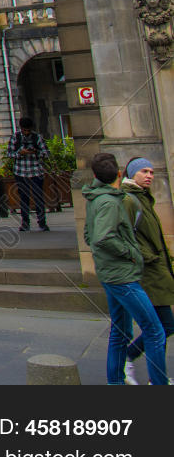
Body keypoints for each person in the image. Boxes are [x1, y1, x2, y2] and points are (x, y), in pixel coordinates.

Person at [84, 151, 166, 384]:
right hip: (122, 276)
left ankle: (115, 381)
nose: (149, 175)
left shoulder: (96, 197)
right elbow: (101, 237)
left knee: (121, 332)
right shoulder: (110, 201)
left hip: (111, 273)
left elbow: (89, 236)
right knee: (155, 330)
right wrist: (131, 253)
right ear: (120, 173)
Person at [121, 157, 174, 384]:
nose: (150, 175)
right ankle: (131, 359)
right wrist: (147, 258)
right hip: (148, 272)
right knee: (163, 327)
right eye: (144, 171)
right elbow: (124, 235)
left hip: (157, 270)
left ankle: (155, 376)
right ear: (133, 173)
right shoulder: (129, 200)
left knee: (161, 327)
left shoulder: (143, 198)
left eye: (152, 172)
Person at [8, 117, 50, 232]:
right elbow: (10, 154)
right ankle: (25, 223)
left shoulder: (37, 137)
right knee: (24, 198)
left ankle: (42, 223)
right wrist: (19, 153)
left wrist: (36, 151)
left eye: (28, 130)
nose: (26, 133)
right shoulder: (15, 137)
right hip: (20, 172)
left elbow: (47, 153)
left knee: (39, 198)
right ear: (21, 128)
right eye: (24, 130)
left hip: (36, 171)